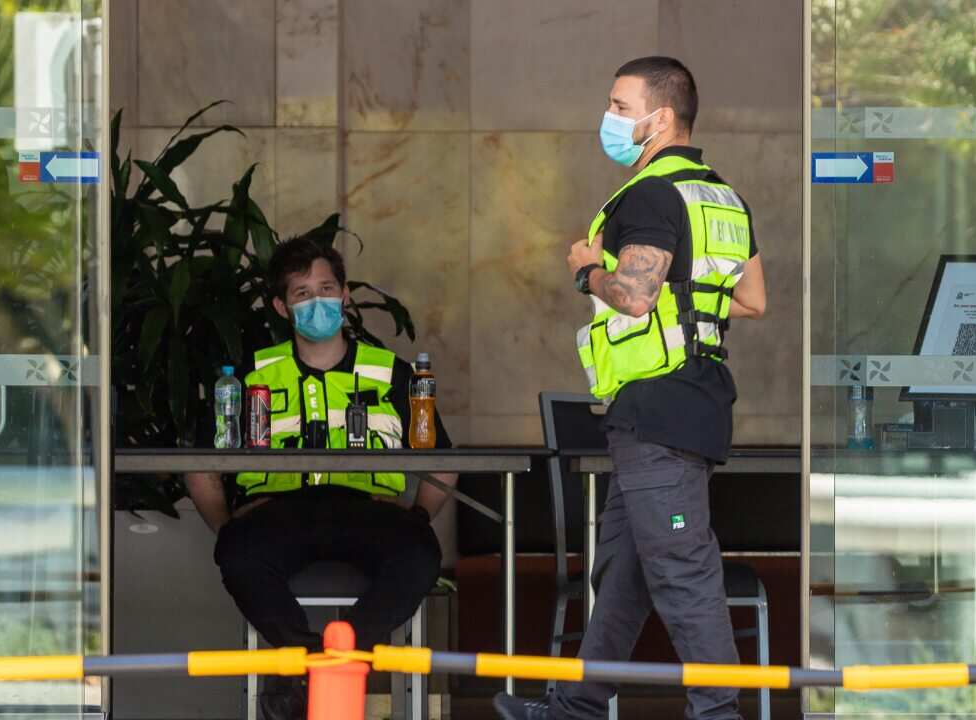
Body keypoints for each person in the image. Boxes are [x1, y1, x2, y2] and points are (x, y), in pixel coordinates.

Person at [494, 56, 767, 720]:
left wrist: (589, 271)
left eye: (620, 105)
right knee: (623, 576)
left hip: (659, 408)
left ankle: (719, 715)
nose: (609, 118)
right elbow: (752, 300)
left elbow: (637, 297)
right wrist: (685, 302)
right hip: (685, 404)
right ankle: (574, 711)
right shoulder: (722, 196)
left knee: (682, 569)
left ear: (662, 117)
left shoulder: (648, 194)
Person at [186, 238, 457, 720]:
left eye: (327, 288)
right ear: (280, 306)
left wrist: (418, 515)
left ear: (346, 295)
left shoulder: (390, 373)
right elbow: (199, 464)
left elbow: (442, 458)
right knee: (237, 553)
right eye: (302, 293)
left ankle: (323, 664)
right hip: (277, 514)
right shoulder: (250, 375)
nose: (318, 302)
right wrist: (228, 521)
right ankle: (318, 666)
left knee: (419, 555)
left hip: (368, 512)